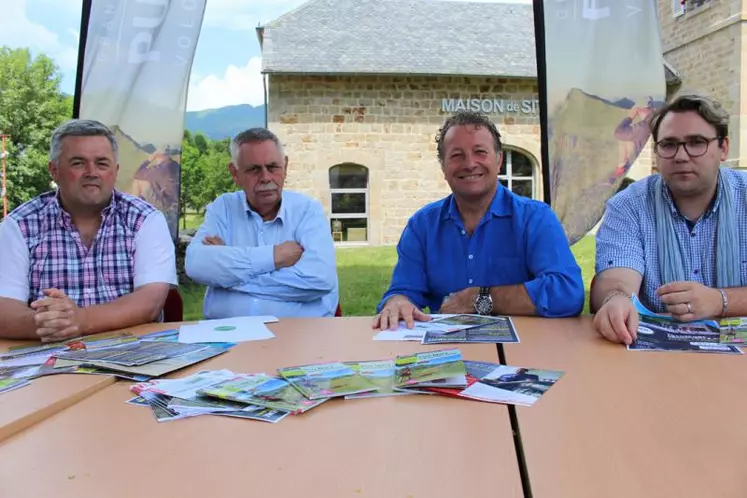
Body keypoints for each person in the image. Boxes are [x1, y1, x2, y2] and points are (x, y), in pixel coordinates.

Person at [373, 111, 584, 330]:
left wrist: (480, 298)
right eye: (457, 155)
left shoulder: (536, 218)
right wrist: (398, 302)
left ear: (499, 160)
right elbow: (404, 291)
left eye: (480, 152)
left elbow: (568, 292)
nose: (470, 163)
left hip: (524, 350)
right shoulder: (422, 226)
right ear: (443, 167)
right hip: (447, 352)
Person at [0, 119, 177, 342]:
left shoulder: (146, 220)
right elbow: (4, 309)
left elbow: (150, 302)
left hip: (134, 356)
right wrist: (49, 323)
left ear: (115, 171)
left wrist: (82, 320)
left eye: (102, 163)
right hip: (48, 360)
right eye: (78, 163)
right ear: (54, 170)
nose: (92, 172)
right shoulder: (19, 225)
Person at [592, 93, 747, 345]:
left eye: (696, 142)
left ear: (724, 148)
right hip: (656, 364)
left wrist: (719, 301)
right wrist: (616, 300)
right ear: (657, 152)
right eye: (669, 144)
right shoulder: (629, 205)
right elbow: (615, 278)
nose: (681, 156)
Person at [185, 128, 338, 319]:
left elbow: (319, 280)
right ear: (235, 173)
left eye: (273, 167)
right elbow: (196, 264)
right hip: (226, 336)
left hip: (298, 338)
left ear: (286, 167)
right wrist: (273, 257)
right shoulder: (223, 208)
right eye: (254, 169)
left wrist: (228, 276)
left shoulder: (307, 211)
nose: (266, 177)